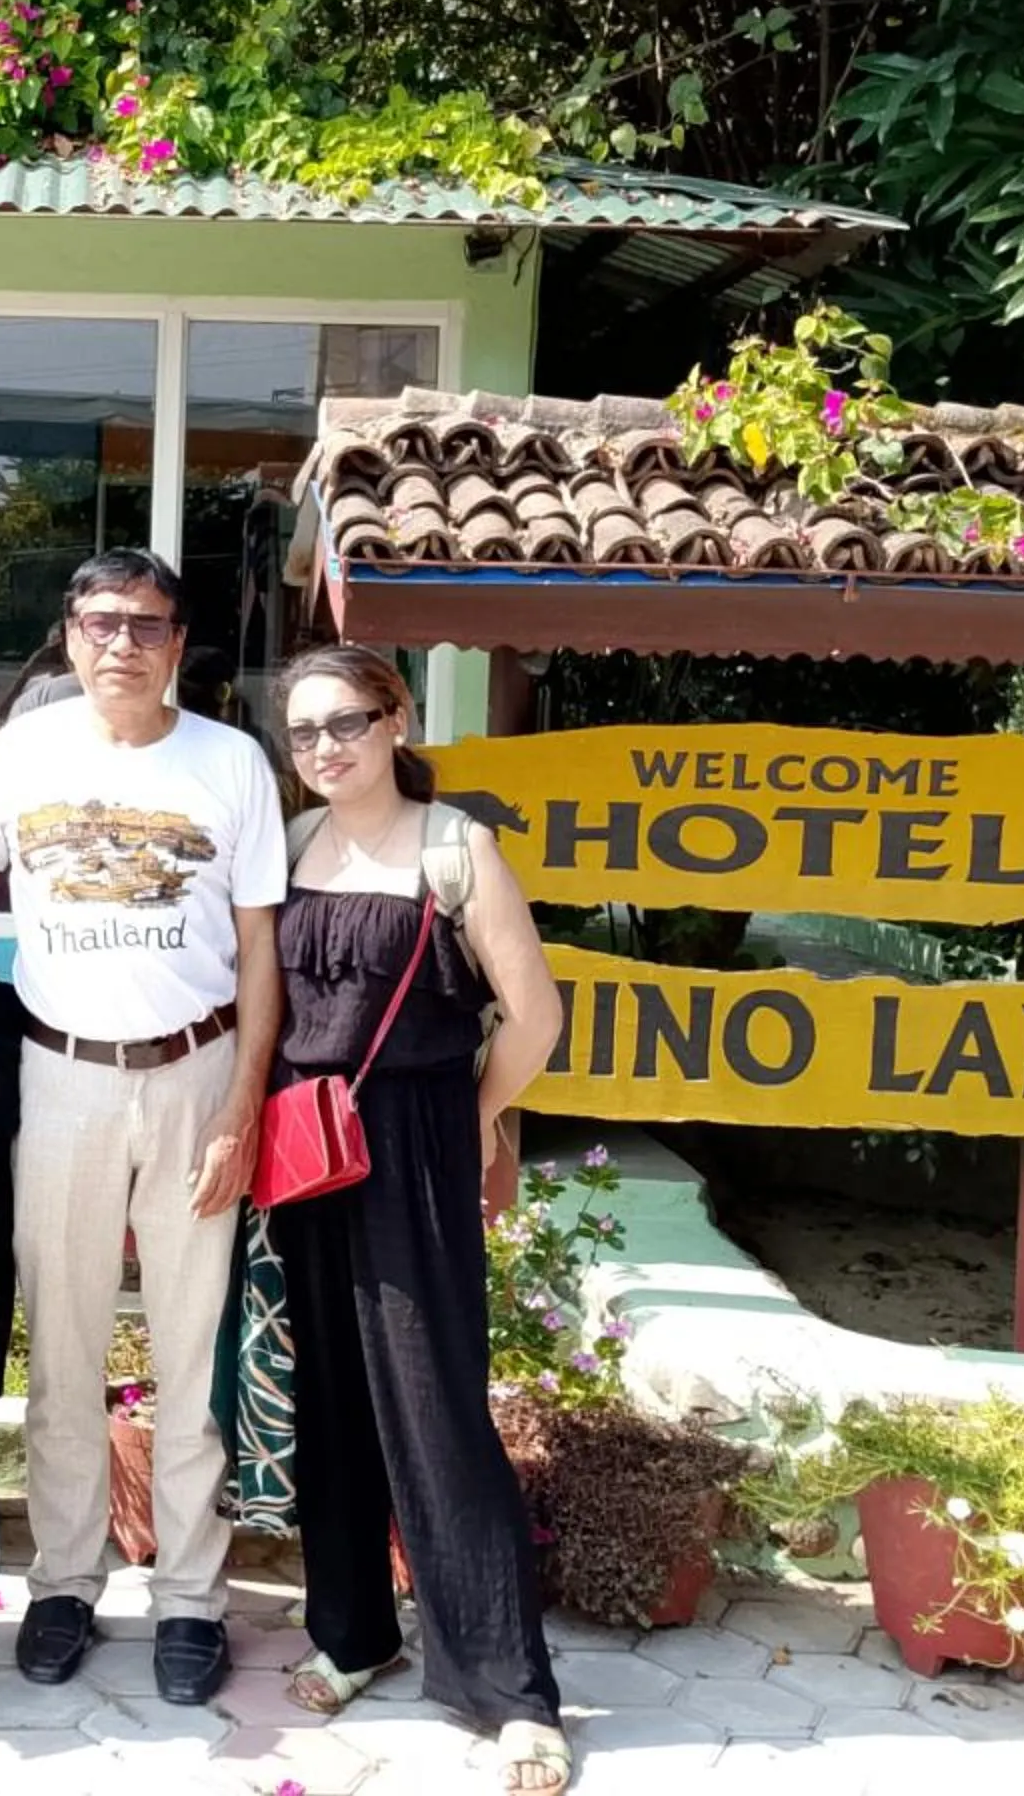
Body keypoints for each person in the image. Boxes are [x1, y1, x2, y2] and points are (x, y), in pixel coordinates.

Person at [0, 548, 286, 1707]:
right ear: (69, 636)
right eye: (98, 622)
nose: (120, 643)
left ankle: (190, 1597)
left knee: (190, 1346)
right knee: (66, 1340)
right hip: (61, 1076)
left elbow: (261, 950)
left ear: (179, 644)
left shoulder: (231, 763)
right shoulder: (20, 754)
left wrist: (243, 1105)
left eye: (144, 624)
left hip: (197, 1073)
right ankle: (65, 1581)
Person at [264, 644, 569, 1795]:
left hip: (415, 1148)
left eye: (344, 722)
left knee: (437, 1407)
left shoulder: (457, 849)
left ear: (394, 719)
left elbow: (533, 1015)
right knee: (331, 1402)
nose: (325, 748)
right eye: (302, 733)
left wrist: (475, 1122)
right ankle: (354, 1631)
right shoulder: (297, 848)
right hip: (310, 1150)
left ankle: (509, 1686)